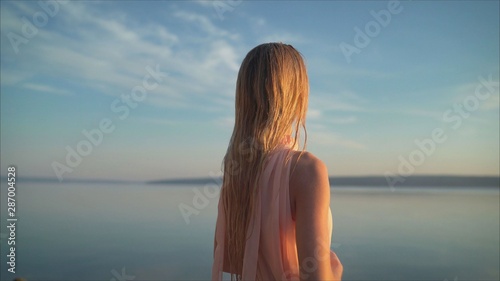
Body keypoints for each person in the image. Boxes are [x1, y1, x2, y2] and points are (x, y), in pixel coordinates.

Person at [212, 43, 343, 281]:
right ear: (297, 95)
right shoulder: (307, 170)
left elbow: (230, 260)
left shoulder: (237, 170)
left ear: (243, 98)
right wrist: (334, 273)